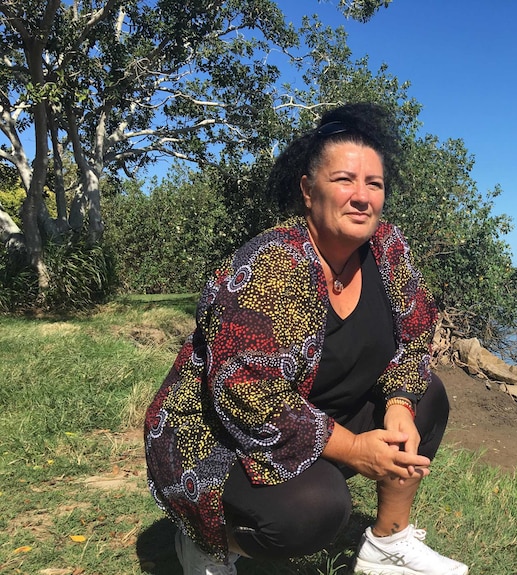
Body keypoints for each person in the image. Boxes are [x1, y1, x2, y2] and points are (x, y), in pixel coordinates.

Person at [144, 102, 469, 575]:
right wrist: (356, 450)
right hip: (216, 436)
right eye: (344, 180)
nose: (362, 197)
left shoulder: (387, 249)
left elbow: (417, 331)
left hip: (312, 412)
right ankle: (208, 543)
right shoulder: (268, 269)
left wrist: (399, 403)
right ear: (307, 191)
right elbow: (247, 396)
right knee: (315, 510)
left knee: (428, 397)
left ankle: (388, 545)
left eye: (374, 184)